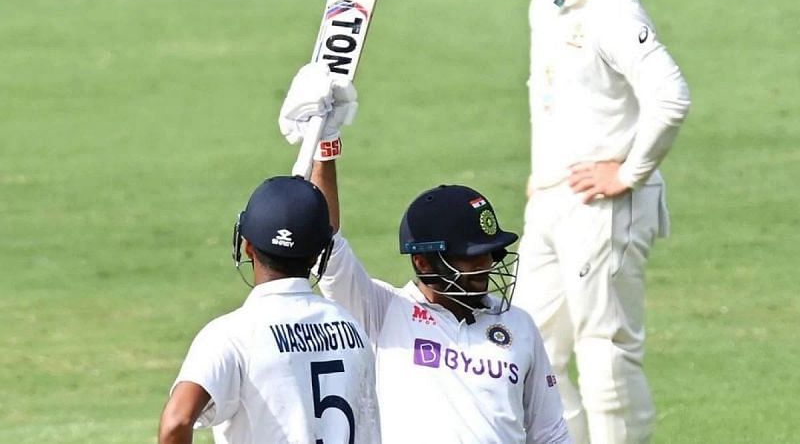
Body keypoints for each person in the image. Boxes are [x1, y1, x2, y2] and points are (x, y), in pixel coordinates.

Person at [278, 63, 571, 444]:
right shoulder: (383, 312)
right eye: (471, 255)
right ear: (423, 261)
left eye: (490, 252)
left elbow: (550, 434)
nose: (487, 264)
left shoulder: (518, 326)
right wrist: (325, 146)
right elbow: (327, 246)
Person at [516, 0, 691, 442]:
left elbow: (671, 97)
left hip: (604, 204)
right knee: (530, 348)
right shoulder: (545, 6)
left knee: (605, 354)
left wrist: (629, 172)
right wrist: (544, 175)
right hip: (553, 200)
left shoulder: (613, 10)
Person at [158, 176, 380, 444]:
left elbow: (176, 422)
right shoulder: (351, 328)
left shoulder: (230, 335)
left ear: (247, 246)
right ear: (317, 255)